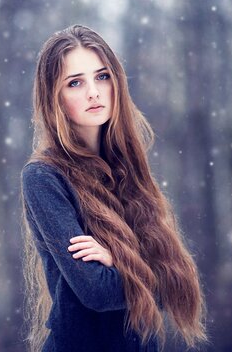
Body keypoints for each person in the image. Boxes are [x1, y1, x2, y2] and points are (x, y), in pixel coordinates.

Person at [20, 25, 208, 352]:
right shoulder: (43, 177)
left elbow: (177, 287)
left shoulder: (128, 168)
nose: (93, 91)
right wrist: (139, 267)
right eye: (75, 82)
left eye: (102, 76)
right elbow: (98, 292)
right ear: (55, 98)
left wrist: (116, 260)